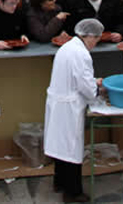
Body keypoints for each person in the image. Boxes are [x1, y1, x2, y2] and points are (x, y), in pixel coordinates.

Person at [44, 18, 103, 203]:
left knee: (60, 148)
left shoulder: (67, 48)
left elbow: (76, 77)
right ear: (90, 36)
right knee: (70, 150)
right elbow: (85, 85)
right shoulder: (81, 54)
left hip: (58, 102)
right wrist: (97, 89)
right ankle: (72, 191)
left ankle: (59, 182)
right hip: (69, 106)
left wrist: (93, 83)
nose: (96, 43)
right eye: (97, 39)